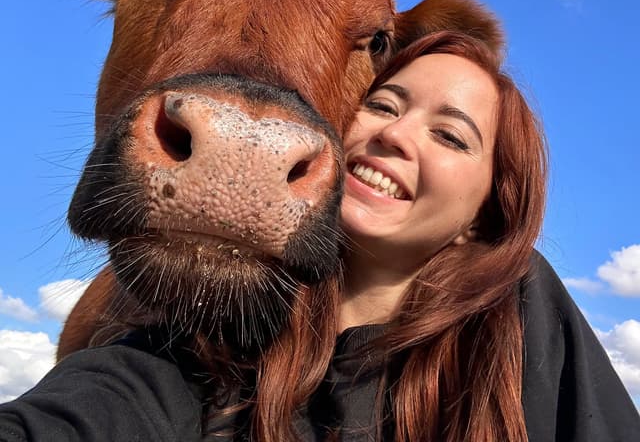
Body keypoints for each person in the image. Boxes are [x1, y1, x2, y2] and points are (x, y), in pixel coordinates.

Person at [1, 32, 638, 442]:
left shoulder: (518, 320)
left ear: (484, 211)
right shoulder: (212, 343)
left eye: (450, 135)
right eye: (383, 105)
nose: (396, 134)